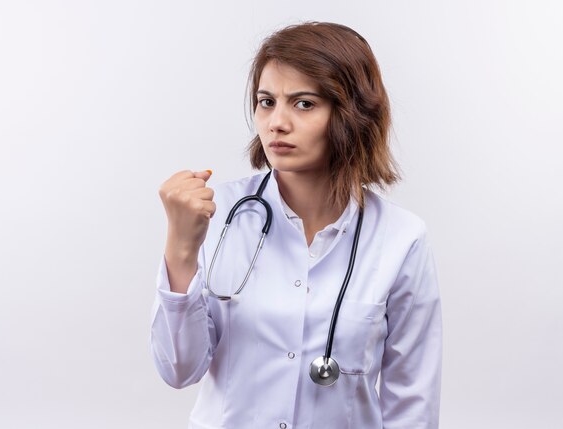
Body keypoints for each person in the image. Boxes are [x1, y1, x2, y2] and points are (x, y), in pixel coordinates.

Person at [151, 21, 442, 429]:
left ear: (351, 113)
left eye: (304, 103)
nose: (276, 123)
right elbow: (179, 370)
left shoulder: (401, 238)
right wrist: (181, 247)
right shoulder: (217, 215)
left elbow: (412, 403)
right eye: (266, 101)